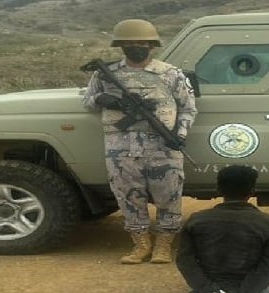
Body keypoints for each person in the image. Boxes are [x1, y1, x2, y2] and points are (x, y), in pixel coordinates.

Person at [83, 18, 198, 265]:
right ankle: (141, 245)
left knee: (169, 195)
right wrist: (107, 100)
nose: (136, 47)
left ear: (152, 45)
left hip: (163, 145)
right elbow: (88, 100)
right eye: (129, 43)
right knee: (128, 195)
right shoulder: (106, 74)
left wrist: (180, 135)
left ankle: (164, 246)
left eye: (141, 43)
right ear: (121, 46)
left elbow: (188, 108)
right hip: (121, 147)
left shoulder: (171, 74)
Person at [176, 165, 269, 293]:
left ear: (218, 190)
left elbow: (185, 261)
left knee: (197, 285)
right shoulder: (268, 223)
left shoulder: (196, 220)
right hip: (245, 289)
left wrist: (212, 292)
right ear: (252, 191)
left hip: (209, 286)